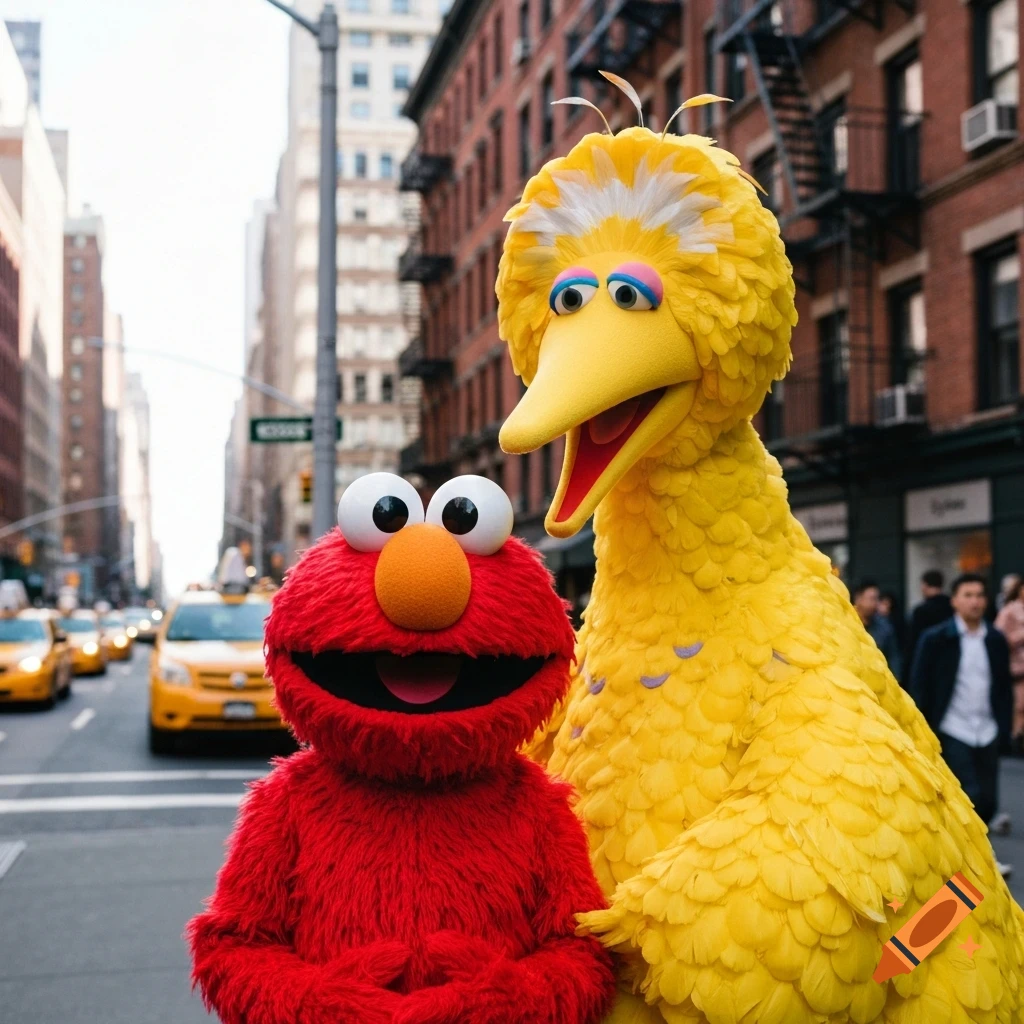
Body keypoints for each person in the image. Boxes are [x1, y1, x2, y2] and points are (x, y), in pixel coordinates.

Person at [909, 574, 1013, 876]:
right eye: (968, 595)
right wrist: (922, 730)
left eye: (980, 595)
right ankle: (976, 866)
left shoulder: (995, 639)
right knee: (970, 797)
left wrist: (1005, 726)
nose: (975, 601)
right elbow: (919, 685)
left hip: (987, 729)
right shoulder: (936, 638)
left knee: (989, 802)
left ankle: (973, 861)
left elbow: (1002, 687)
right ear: (954, 601)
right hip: (952, 728)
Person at [903, 569, 953, 687]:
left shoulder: (921, 611)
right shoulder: (952, 607)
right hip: (950, 663)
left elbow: (913, 644)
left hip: (927, 664)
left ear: (925, 586)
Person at [995, 575, 1024, 753]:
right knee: (1020, 705)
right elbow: (998, 635)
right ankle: (1016, 737)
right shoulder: (1010, 610)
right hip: (1018, 665)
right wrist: (1019, 636)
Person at [853, 580, 901, 678]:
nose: (875, 603)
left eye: (877, 599)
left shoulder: (884, 626)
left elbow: (893, 656)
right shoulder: (847, 622)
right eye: (872, 599)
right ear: (858, 599)